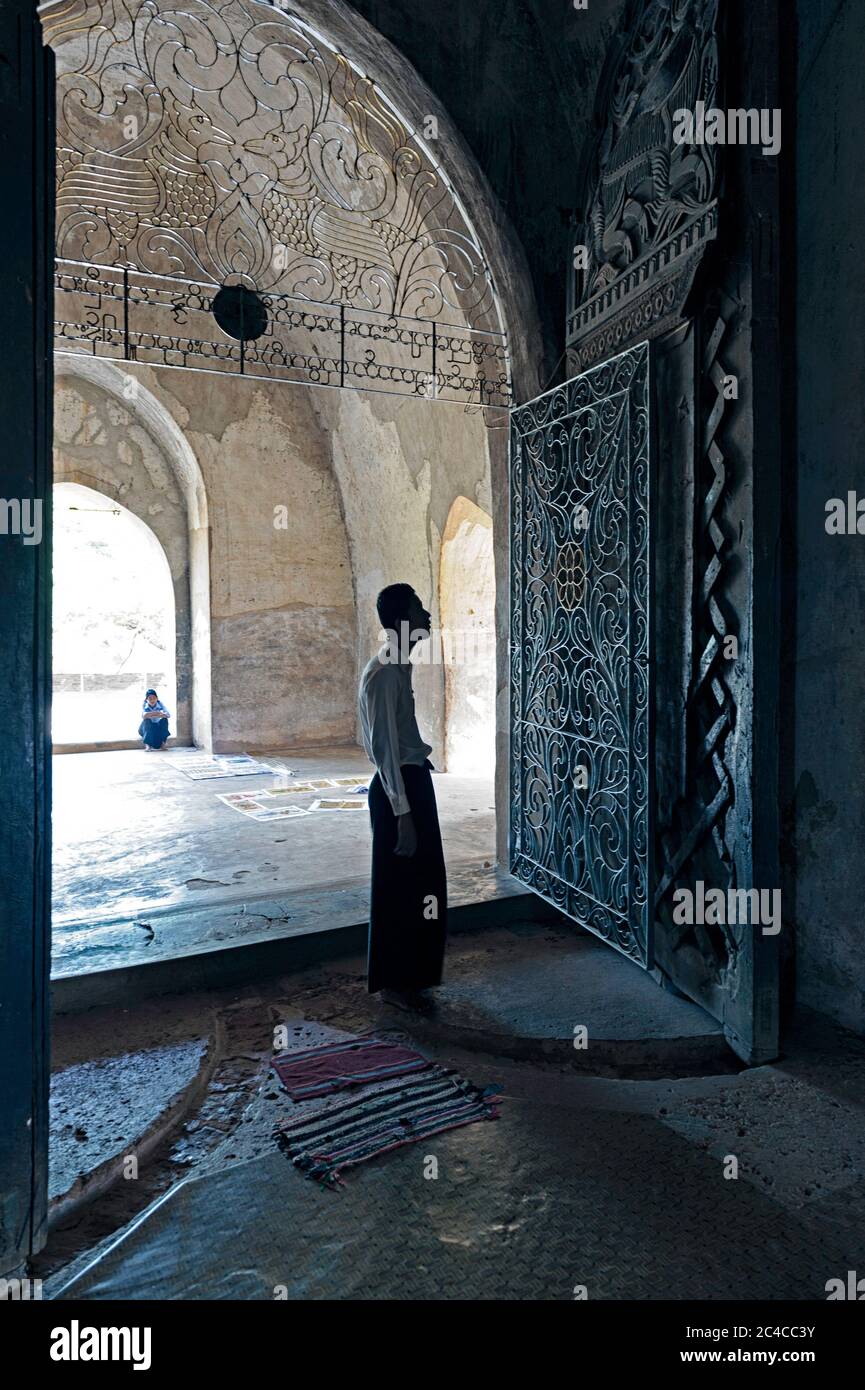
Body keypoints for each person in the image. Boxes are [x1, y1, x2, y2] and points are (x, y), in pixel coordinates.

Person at [358, 583, 447, 1011]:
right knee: (402, 889)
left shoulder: (399, 666)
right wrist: (403, 813)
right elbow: (384, 749)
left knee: (421, 886)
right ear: (402, 621)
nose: (427, 615)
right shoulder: (385, 673)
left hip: (412, 784)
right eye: (419, 608)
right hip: (400, 790)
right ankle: (399, 981)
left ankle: (414, 975)